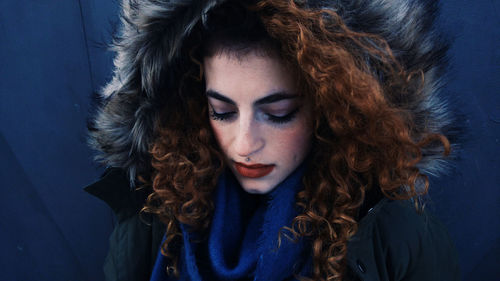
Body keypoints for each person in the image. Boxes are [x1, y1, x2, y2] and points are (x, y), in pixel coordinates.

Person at [84, 0, 461, 280]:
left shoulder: (394, 232)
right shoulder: (152, 216)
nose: (244, 144)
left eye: (279, 114)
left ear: (332, 106)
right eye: (223, 112)